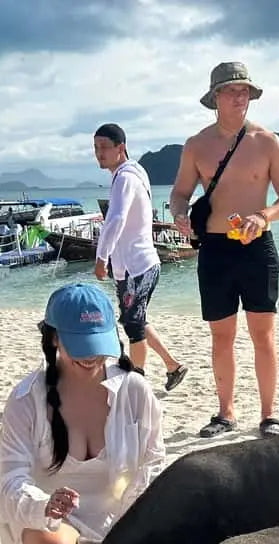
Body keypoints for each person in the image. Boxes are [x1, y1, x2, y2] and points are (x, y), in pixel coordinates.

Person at [0, 283, 165, 544]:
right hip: (58, 529)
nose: (91, 356)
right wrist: (44, 505)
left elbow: (153, 465)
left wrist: (131, 533)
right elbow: (9, 480)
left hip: (122, 522)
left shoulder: (135, 390)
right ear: (53, 338)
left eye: (97, 343)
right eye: (80, 345)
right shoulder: (26, 400)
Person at [170, 61, 279, 438]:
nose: (240, 96)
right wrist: (179, 215)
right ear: (216, 97)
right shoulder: (197, 145)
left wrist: (263, 215)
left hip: (257, 247)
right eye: (232, 90)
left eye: (245, 90)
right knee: (221, 335)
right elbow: (180, 193)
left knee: (263, 334)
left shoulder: (267, 142)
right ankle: (225, 413)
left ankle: (269, 415)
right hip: (214, 249)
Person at [93, 123, 187, 392]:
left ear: (120, 148)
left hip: (138, 265)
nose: (99, 153)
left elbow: (116, 219)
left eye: (104, 147)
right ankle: (173, 366)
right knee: (134, 319)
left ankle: (136, 385)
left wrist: (101, 257)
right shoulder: (132, 172)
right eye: (96, 148)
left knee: (133, 325)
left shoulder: (125, 177)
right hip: (135, 265)